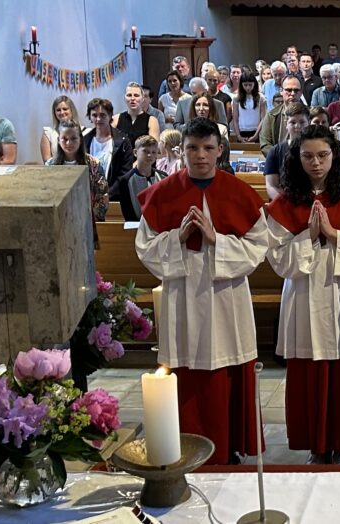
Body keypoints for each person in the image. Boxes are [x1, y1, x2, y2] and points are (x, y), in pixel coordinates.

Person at [135, 117, 269, 466]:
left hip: (226, 297)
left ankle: (229, 447)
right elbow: (145, 247)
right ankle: (184, 446)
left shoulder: (238, 193)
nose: (200, 155)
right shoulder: (164, 193)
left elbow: (258, 247)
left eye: (208, 148)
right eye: (192, 148)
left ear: (220, 150)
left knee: (228, 365)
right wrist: (177, 238)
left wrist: (216, 239)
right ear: (181, 150)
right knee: (186, 369)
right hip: (182, 296)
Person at [266, 125, 340, 465]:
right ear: (296, 159)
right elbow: (278, 258)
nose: (316, 163)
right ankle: (316, 443)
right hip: (305, 293)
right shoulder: (285, 203)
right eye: (308, 156)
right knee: (309, 369)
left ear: (334, 156)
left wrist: (333, 233)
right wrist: (309, 237)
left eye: (322, 155)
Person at [47, 120, 108, 222]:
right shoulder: (50, 166)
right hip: (59, 219)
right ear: (58, 140)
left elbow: (102, 195)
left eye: (73, 139)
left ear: (80, 140)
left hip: (86, 220)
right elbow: (46, 195)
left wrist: (89, 217)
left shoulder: (93, 164)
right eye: (64, 139)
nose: (69, 143)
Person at [84, 98, 136, 199]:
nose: (98, 119)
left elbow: (125, 173)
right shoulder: (85, 141)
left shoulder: (123, 141)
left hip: (115, 198)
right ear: (90, 117)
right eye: (94, 115)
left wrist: (108, 194)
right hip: (89, 198)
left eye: (102, 115)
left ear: (110, 115)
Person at [263, 102, 310, 201]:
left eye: (302, 122)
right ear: (286, 124)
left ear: (308, 123)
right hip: (283, 203)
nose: (297, 126)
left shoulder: (314, 149)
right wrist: (286, 205)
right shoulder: (275, 151)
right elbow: (271, 186)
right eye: (293, 122)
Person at [119, 135, 167, 222]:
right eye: (145, 151)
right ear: (135, 152)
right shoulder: (125, 180)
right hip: (136, 226)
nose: (150, 155)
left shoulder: (163, 177)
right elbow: (127, 212)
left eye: (153, 152)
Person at [259, 76, 305, 155]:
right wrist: (279, 157)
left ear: (301, 92)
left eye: (296, 90)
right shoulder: (271, 115)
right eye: (288, 90)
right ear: (281, 91)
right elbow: (265, 144)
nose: (292, 94)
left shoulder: (309, 115)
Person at [41, 96, 81, 163]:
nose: (62, 112)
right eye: (58, 110)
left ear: (72, 110)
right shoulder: (48, 132)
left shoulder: (83, 131)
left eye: (65, 109)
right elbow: (47, 162)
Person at [232, 73, 265, 143]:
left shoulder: (261, 98)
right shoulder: (236, 98)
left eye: (250, 85)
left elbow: (263, 118)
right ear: (241, 85)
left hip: (256, 131)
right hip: (242, 131)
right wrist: (238, 136)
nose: (248, 88)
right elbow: (235, 119)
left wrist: (256, 135)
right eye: (245, 85)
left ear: (254, 84)